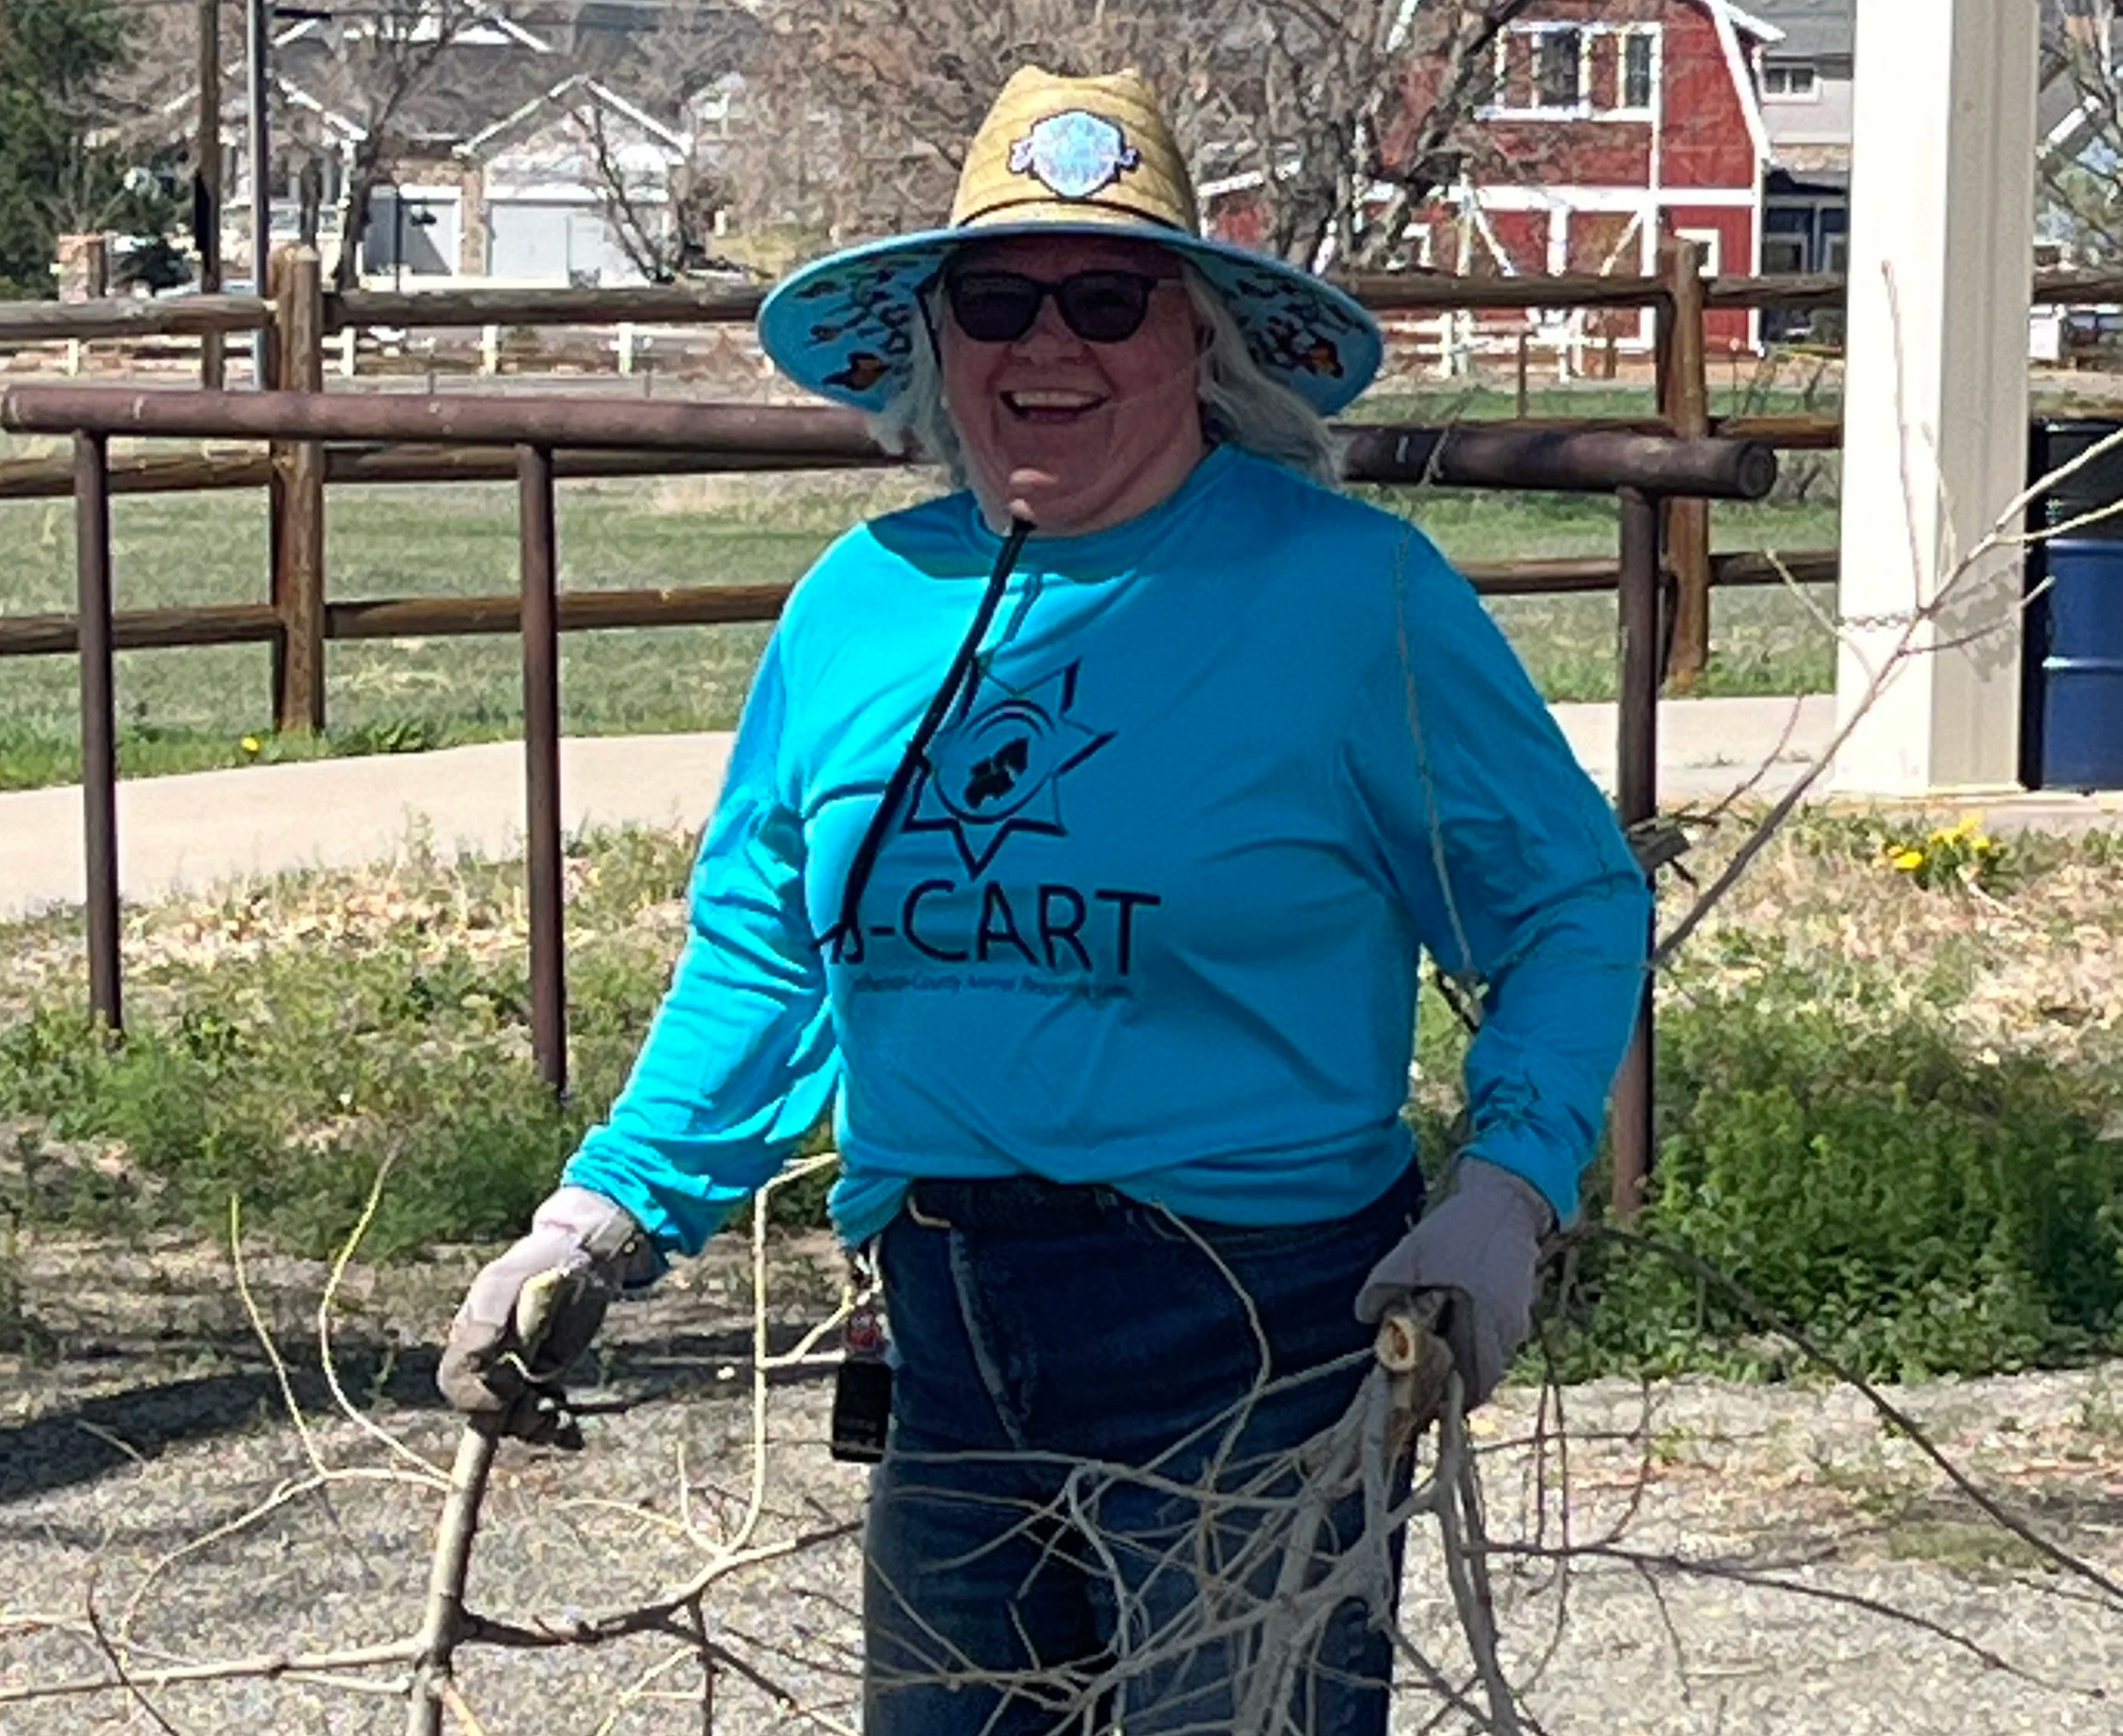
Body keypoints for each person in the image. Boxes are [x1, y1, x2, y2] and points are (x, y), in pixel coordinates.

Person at [438, 66, 1651, 1735]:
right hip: (949, 1342)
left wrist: (1509, 1186)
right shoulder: (860, 602)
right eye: (998, 302)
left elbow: (1568, 903)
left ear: (1200, 338)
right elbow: (770, 947)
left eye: (1108, 298)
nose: (1048, 344)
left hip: (1259, 1343)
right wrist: (605, 1214)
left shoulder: (1348, 595)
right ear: (936, 340)